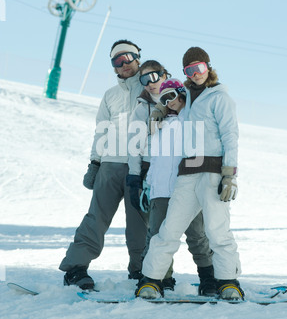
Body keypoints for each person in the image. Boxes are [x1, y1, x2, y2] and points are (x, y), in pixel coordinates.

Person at [137, 47, 243, 301]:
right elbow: (174, 106)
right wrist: (161, 110)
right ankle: (151, 281)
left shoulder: (219, 98)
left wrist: (229, 175)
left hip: (213, 173)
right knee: (169, 229)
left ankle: (228, 282)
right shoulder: (190, 100)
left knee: (217, 231)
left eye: (199, 68)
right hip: (187, 174)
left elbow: (231, 136)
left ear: (208, 67)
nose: (195, 74)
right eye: (189, 70)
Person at [59, 40, 148, 289]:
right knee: (96, 217)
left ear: (138, 57)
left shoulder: (153, 89)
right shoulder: (110, 95)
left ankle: (141, 271)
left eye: (127, 57)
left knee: (140, 222)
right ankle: (76, 268)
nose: (123, 64)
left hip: (141, 167)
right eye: (117, 61)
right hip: (110, 164)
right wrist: (95, 163)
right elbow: (101, 132)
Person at [127, 64, 214, 295]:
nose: (169, 102)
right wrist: (148, 186)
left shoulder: (190, 118)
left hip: (188, 189)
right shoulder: (158, 126)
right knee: (157, 236)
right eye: (164, 99)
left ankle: (209, 278)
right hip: (161, 192)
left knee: (197, 236)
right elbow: (155, 160)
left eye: (172, 96)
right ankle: (158, 279)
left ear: (181, 94)